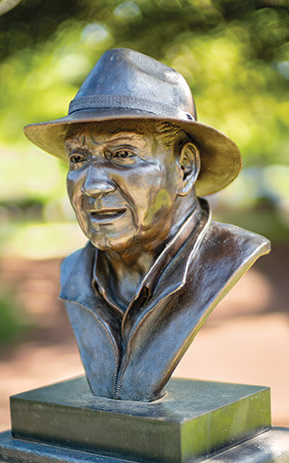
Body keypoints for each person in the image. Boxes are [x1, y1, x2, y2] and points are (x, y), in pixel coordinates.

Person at [24, 48, 269, 401]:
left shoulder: (229, 257)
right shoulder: (74, 273)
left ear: (185, 169)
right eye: (78, 158)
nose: (92, 185)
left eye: (122, 154)